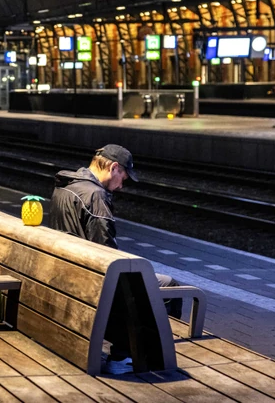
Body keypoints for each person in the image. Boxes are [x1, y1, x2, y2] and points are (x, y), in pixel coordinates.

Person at [49, 144, 181, 374]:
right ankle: (128, 356)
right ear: (114, 167)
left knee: (150, 280)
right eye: (123, 178)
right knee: (171, 286)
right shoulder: (96, 196)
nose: (121, 185)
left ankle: (138, 350)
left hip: (71, 274)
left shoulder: (64, 186)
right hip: (95, 282)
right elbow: (107, 253)